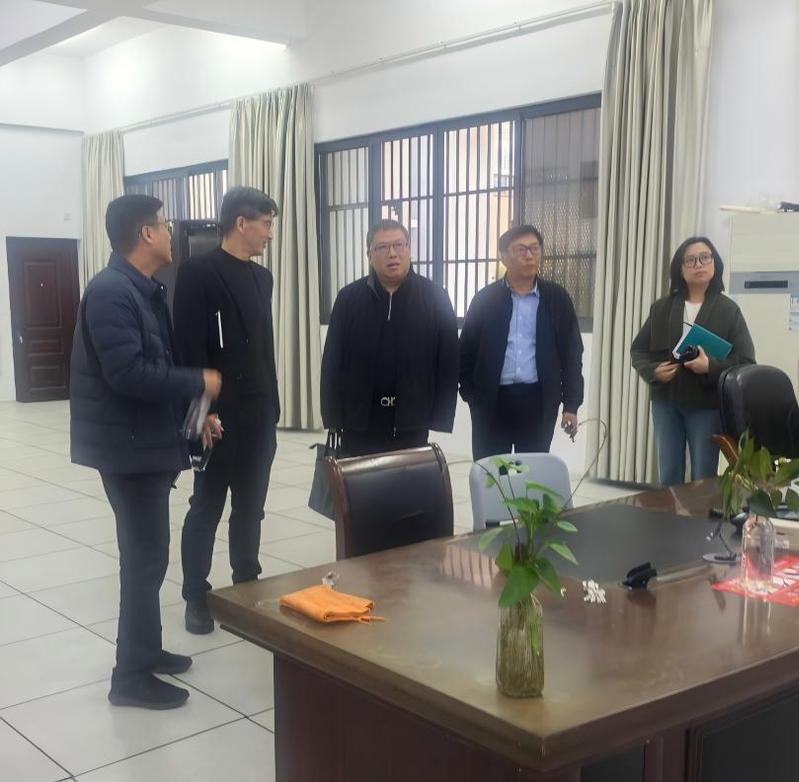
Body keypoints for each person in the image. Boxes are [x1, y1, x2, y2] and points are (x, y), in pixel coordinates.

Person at [70, 194, 222, 709]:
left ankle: (148, 650)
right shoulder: (111, 292)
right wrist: (199, 381)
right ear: (145, 234)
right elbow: (129, 374)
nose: (171, 232)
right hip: (127, 451)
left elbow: (158, 366)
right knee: (143, 560)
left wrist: (197, 416)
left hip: (144, 443)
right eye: (164, 224)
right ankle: (129, 678)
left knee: (149, 557)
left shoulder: (143, 288)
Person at [173, 186, 280, 635]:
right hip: (216, 418)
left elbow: (264, 350)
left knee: (251, 509)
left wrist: (273, 408)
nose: (269, 234)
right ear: (241, 222)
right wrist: (204, 412)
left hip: (258, 415)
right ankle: (196, 597)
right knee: (207, 506)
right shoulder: (198, 273)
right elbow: (187, 350)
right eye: (266, 224)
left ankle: (246, 588)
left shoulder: (262, 278)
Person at [321, 218, 458, 456]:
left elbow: (448, 361)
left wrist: (439, 416)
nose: (392, 253)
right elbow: (333, 361)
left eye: (399, 245)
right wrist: (333, 417)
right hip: (359, 420)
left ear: (409, 249)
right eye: (382, 247)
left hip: (412, 420)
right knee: (361, 480)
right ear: (369, 255)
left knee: (405, 479)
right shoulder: (348, 298)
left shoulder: (435, 297)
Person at [631, 236, 755, 486]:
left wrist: (710, 366)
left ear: (715, 263)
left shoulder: (728, 310)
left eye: (705, 257)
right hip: (666, 402)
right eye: (690, 260)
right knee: (669, 473)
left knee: (703, 475)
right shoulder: (662, 308)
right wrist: (654, 371)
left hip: (706, 405)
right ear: (680, 268)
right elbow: (638, 351)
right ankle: (670, 512)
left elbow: (746, 361)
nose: (699, 264)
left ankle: (700, 514)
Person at [459, 224, 584, 461]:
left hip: (538, 401)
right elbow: (465, 353)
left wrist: (571, 405)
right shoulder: (485, 299)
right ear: (504, 257)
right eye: (521, 250)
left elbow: (572, 354)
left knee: (531, 473)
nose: (529, 256)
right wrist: (472, 396)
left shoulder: (557, 298)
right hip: (492, 403)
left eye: (534, 249)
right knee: (493, 473)